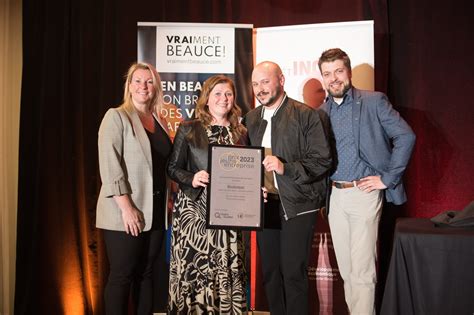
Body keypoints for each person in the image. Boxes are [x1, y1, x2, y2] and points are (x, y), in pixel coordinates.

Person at [318, 48, 416, 315]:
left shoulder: (373, 101)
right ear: (323, 78)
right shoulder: (321, 112)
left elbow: (406, 136)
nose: (334, 78)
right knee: (348, 272)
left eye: (338, 71)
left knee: (362, 271)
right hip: (335, 198)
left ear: (348, 72)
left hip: (364, 193)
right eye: (327, 74)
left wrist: (387, 178)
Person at [243, 61, 332, 315]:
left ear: (281, 80)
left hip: (298, 204)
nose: (260, 89)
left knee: (293, 273)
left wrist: (286, 168)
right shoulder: (250, 119)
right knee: (270, 272)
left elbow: (322, 160)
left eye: (265, 81)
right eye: (255, 84)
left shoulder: (306, 115)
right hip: (265, 205)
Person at [166, 75, 248, 314]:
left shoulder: (241, 132)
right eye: (218, 94)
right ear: (207, 99)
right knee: (196, 270)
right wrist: (192, 177)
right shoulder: (188, 129)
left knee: (227, 269)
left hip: (230, 214)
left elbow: (247, 170)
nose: (224, 99)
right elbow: (172, 168)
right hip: (195, 213)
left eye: (229, 94)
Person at [96, 62, 171, 315]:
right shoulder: (116, 116)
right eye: (137, 81)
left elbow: (162, 166)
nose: (143, 86)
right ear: (129, 86)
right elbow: (110, 166)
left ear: (156, 87)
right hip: (126, 213)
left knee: (146, 274)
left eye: (149, 81)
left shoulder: (158, 122)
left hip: (156, 213)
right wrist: (127, 208)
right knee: (122, 276)